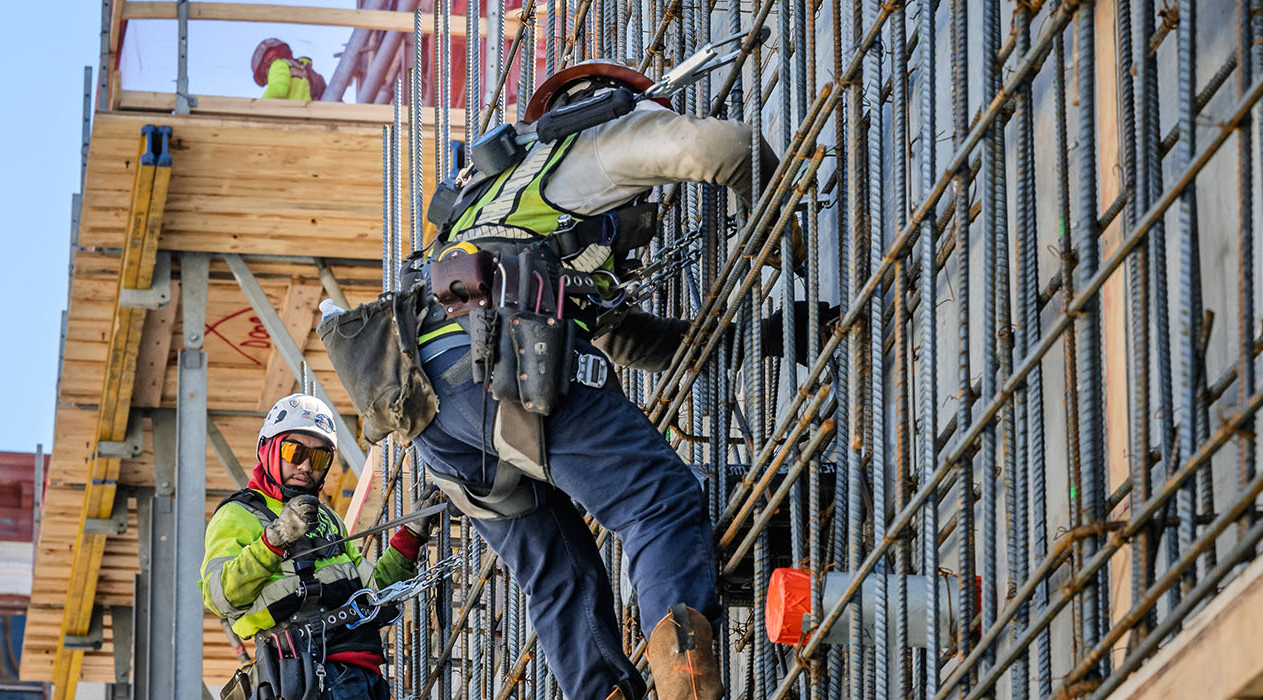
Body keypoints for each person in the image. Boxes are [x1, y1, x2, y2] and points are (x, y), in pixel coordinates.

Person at [411, 59, 814, 700]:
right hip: (503, 358)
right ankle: (687, 689)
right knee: (657, 504)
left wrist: (751, 342)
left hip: (436, 410)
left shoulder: (489, 203)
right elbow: (726, 147)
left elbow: (625, 340)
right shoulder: (591, 137)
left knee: (561, 582)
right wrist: (796, 245)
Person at [202, 393, 436, 700]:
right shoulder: (238, 515)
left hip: (363, 675)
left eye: (320, 457)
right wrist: (274, 539)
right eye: (294, 450)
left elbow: (377, 594)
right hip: (308, 676)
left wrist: (411, 536)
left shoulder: (328, 519)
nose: (305, 465)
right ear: (268, 449)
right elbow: (221, 596)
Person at [252, 38, 326, 101]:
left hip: (296, 114)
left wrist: (255, 109)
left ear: (265, 65)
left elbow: (277, 91)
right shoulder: (302, 68)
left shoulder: (278, 64)